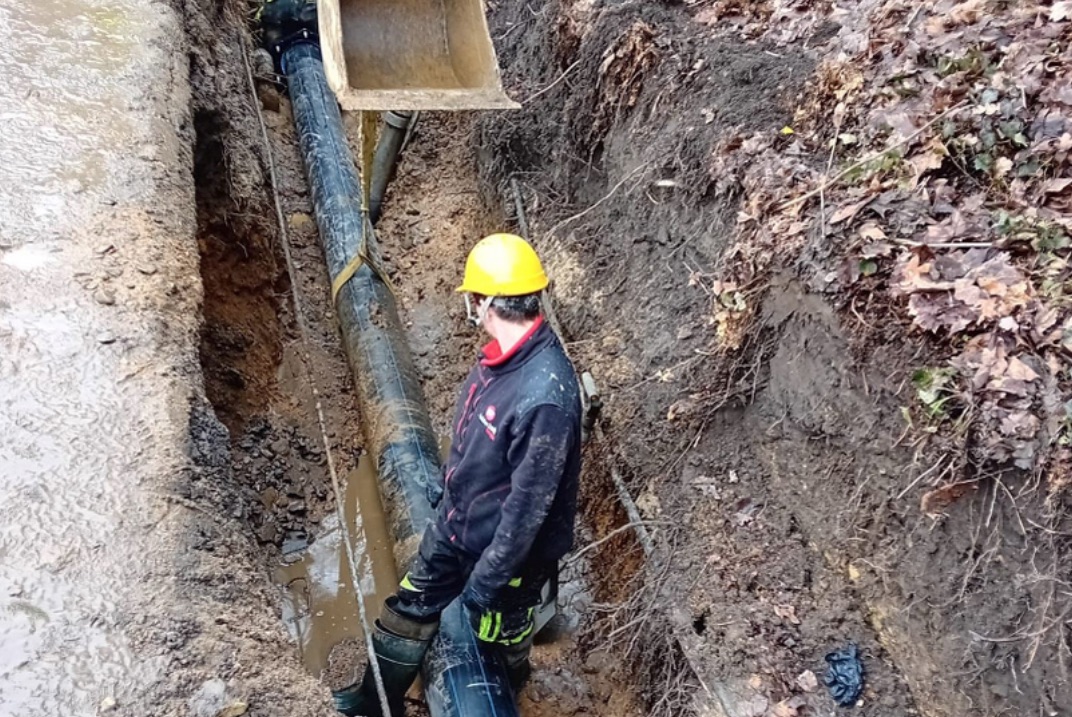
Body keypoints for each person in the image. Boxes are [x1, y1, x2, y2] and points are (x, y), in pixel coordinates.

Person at [335, 234, 583, 717]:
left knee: (503, 632)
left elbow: (529, 511)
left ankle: (510, 686)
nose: (468, 304)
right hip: (457, 528)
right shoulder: (500, 361)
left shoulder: (546, 395)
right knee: (408, 608)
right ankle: (370, 705)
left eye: (472, 296)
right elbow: (475, 442)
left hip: (509, 562)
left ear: (486, 301)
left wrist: (487, 582)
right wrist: (448, 484)